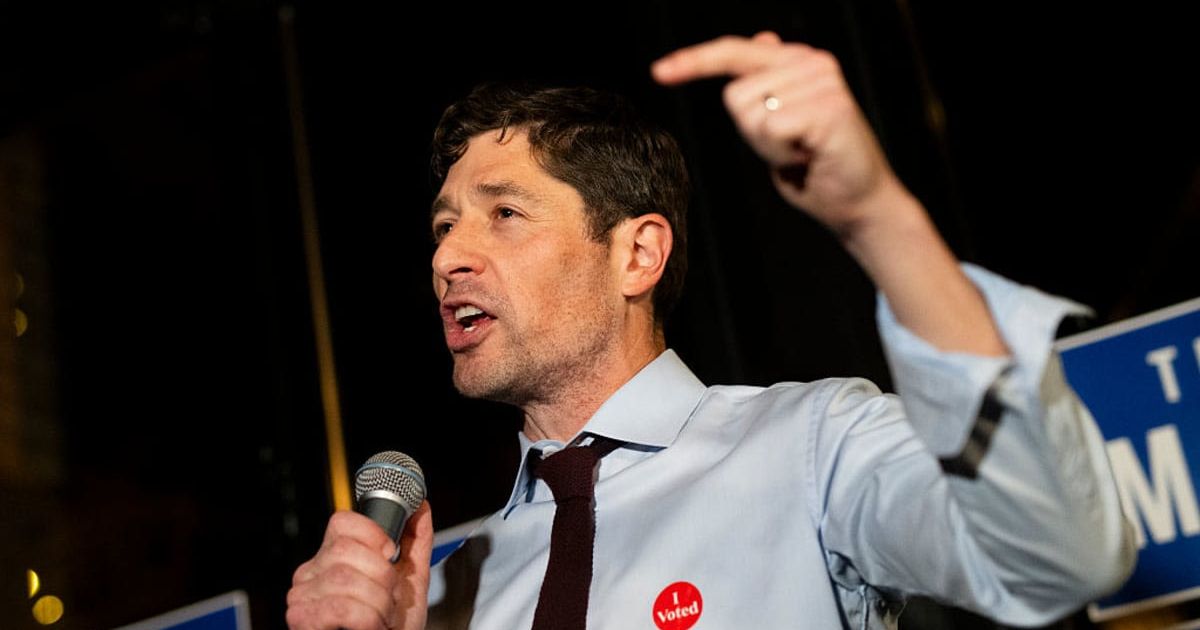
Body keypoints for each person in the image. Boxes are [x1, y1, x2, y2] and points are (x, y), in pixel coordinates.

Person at [285, 32, 1135, 629]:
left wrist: (876, 216)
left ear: (637, 255)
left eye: (504, 213)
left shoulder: (812, 443)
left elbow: (1057, 558)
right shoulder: (446, 589)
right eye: (441, 228)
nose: (448, 259)